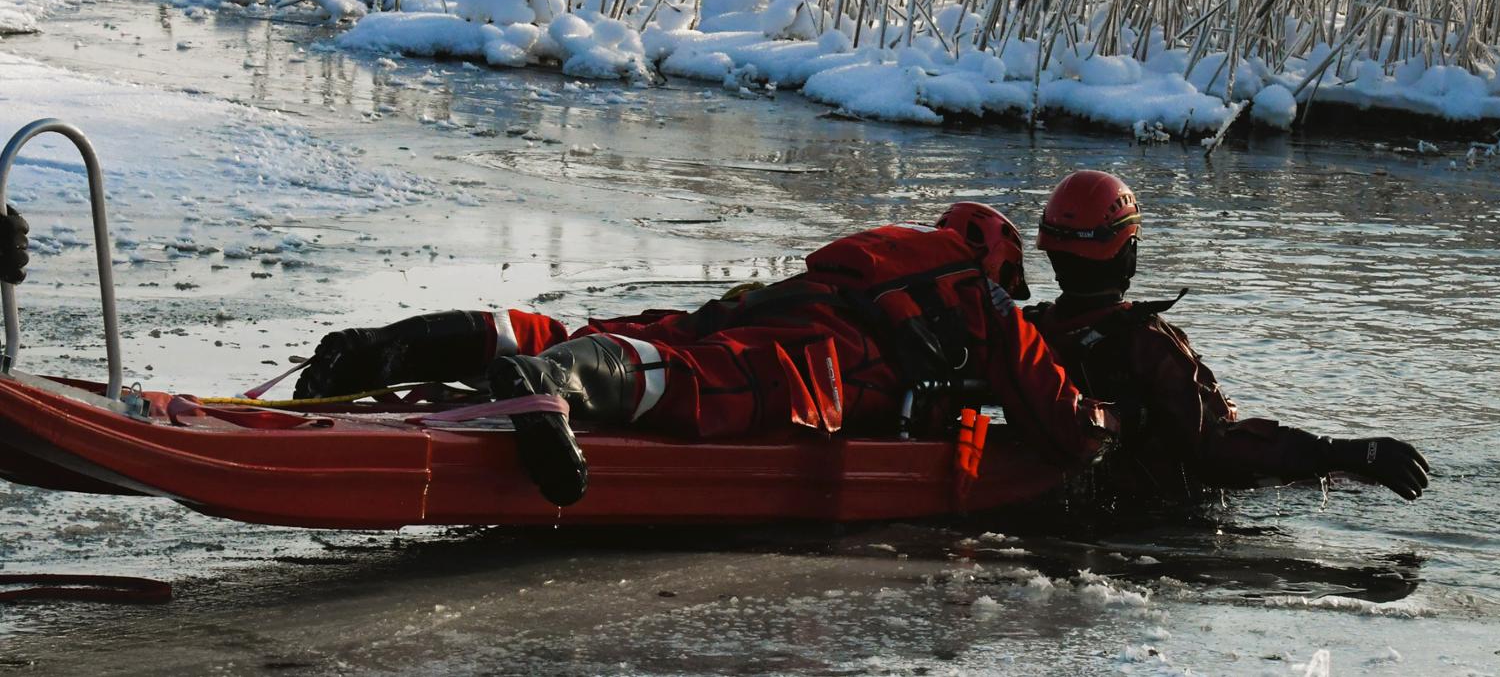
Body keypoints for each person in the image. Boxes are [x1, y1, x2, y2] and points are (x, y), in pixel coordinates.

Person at [289, 202, 1112, 507]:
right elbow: (1061, 420)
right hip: (819, 354)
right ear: (997, 260)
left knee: (620, 336)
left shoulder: (888, 249)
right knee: (692, 382)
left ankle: (387, 347)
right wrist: (1112, 422)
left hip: (764, 305)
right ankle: (543, 388)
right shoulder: (981, 293)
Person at [1023, 170, 1431, 504]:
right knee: (1353, 482)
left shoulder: (1030, 332)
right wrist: (1345, 452)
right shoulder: (1147, 343)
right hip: (1160, 517)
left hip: (1075, 498)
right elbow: (1214, 450)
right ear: (1127, 252)